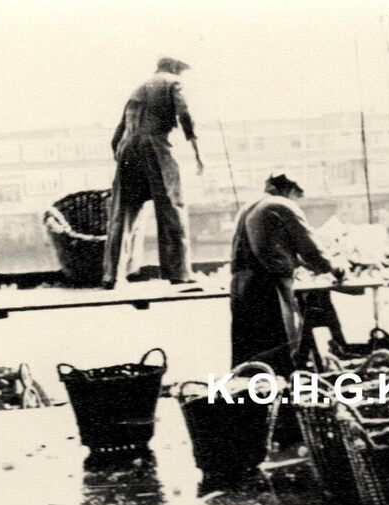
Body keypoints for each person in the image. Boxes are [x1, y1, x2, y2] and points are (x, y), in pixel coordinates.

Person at [102, 57, 204, 289]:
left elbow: (118, 130)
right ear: (175, 68)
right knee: (171, 207)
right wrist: (198, 151)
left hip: (128, 148)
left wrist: (120, 153)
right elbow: (185, 116)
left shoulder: (138, 88)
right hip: (157, 147)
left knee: (123, 211)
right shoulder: (174, 83)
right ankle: (178, 273)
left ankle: (112, 275)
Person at [230, 173, 345, 375]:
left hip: (241, 285)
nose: (297, 200)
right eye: (297, 195)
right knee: (278, 346)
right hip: (268, 285)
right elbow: (310, 248)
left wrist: (301, 263)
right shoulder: (282, 204)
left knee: (248, 350)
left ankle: (250, 391)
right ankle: (283, 390)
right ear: (290, 190)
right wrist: (335, 269)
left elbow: (269, 246)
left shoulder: (250, 206)